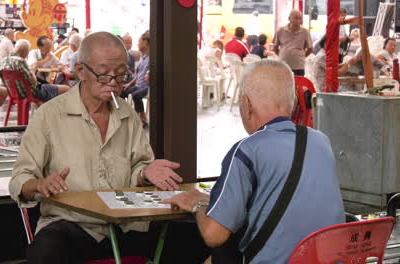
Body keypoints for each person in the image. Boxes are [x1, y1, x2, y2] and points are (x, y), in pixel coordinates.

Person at [9, 31, 210, 264]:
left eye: (122, 75)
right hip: (75, 227)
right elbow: (19, 179)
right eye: (104, 75)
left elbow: (139, 166)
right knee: (45, 252)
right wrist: (40, 184)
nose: (114, 83)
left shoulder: (127, 114)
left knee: (194, 238)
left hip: (128, 225)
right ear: (81, 71)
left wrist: (145, 172)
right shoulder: (49, 116)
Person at [165, 60, 345, 264]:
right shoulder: (321, 141)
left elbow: (213, 235)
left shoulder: (247, 150)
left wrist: (197, 203)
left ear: (247, 104)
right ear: (294, 101)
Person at [0, 39, 69, 102]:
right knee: (66, 88)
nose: (49, 49)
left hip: (14, 92)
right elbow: (34, 81)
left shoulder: (4, 61)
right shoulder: (21, 60)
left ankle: (45, 113)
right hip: (30, 92)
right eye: (47, 47)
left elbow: (2, 79)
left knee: (46, 90)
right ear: (24, 52)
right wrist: (33, 70)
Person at [121, 31, 150, 128]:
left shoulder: (151, 58)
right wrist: (128, 85)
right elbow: (137, 75)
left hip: (145, 86)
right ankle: (123, 114)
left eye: (139, 42)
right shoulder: (142, 57)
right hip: (137, 85)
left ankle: (142, 117)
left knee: (136, 95)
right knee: (121, 91)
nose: (137, 44)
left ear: (146, 43)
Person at [273, 10, 313, 76]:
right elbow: (275, 47)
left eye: (300, 18)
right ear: (289, 18)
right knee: (284, 84)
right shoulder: (280, 31)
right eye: (296, 18)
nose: (298, 20)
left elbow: (310, 49)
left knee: (298, 84)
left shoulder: (305, 32)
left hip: (299, 66)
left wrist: (301, 56)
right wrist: (283, 55)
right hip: (283, 64)